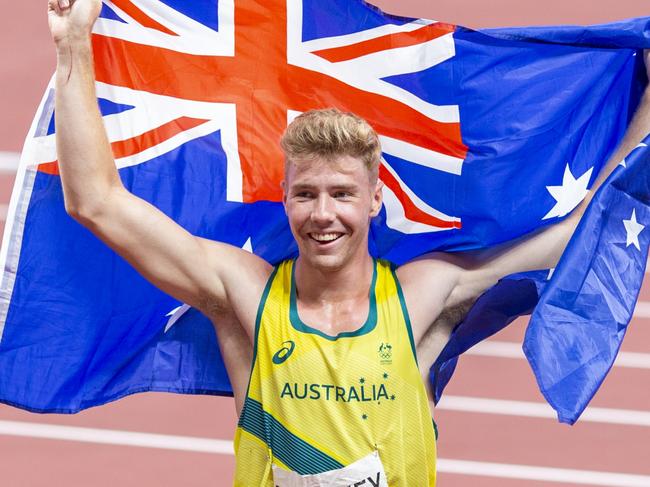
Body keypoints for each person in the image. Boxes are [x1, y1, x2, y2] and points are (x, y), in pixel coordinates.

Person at [47, 0, 649, 485]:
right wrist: (72, 46)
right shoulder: (245, 297)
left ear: (373, 200)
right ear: (284, 200)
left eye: (341, 194)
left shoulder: (422, 297)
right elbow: (95, 201)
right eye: (306, 195)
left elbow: (575, 233)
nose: (323, 214)